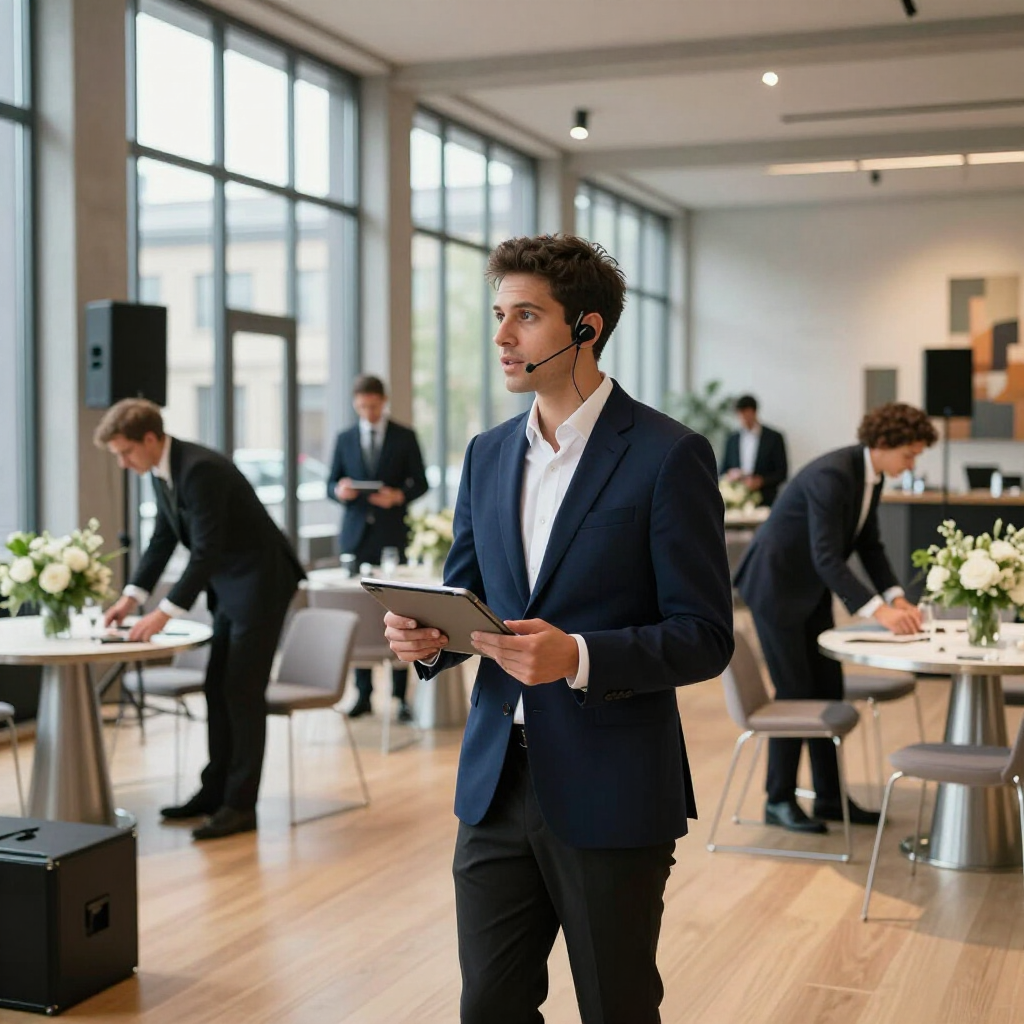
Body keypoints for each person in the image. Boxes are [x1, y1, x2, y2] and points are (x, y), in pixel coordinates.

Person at [383, 234, 734, 1024]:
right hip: (493, 783)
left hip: (611, 786)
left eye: (527, 317)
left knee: (616, 1007)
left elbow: (706, 634)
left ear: (587, 328)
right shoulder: (486, 454)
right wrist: (430, 638)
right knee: (490, 1009)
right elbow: (467, 590)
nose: (502, 336)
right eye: (500, 315)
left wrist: (576, 656)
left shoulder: (668, 455)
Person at [95, 399, 305, 841]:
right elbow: (164, 538)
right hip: (230, 586)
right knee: (217, 687)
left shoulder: (199, 469)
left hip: (260, 582)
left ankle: (239, 805)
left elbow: (205, 550)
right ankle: (213, 793)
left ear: (150, 439)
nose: (122, 462)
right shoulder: (162, 469)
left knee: (242, 692)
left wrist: (163, 612)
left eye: (125, 452)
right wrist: (130, 597)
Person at [734, 402, 938, 834]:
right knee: (794, 693)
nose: (912, 463)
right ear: (883, 444)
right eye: (910, 454)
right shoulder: (834, 475)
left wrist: (897, 597)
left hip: (809, 591)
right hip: (775, 587)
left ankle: (828, 797)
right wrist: (878, 611)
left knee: (829, 689)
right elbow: (826, 556)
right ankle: (779, 800)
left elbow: (869, 545)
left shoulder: (871, 477)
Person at [328, 374, 428, 721]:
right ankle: (363, 695)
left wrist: (398, 496)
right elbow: (331, 483)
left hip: (392, 537)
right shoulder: (344, 438)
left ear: (383, 402)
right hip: (356, 538)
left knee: (402, 613)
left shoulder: (404, 436)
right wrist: (340, 491)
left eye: (372, 406)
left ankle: (400, 697)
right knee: (359, 615)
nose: (368, 412)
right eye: (361, 407)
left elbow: (422, 483)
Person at [720, 394, 788, 506]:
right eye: (740, 414)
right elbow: (723, 470)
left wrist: (760, 481)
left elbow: (782, 472)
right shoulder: (732, 439)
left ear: (754, 412)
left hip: (766, 499)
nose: (743, 418)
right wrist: (732, 474)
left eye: (746, 413)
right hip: (736, 501)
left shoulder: (774, 438)